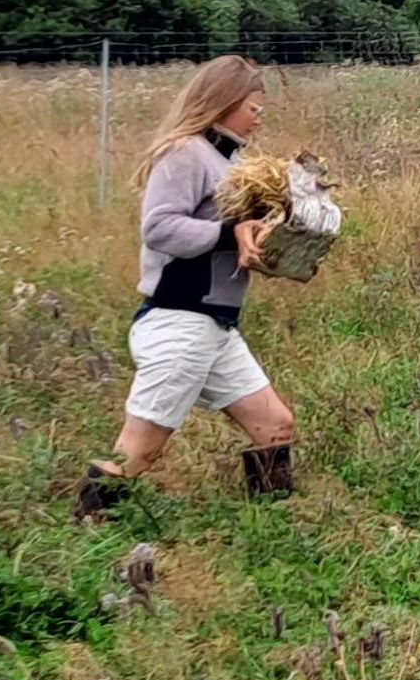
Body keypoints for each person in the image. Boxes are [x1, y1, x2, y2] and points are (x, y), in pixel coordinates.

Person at [77, 55, 298, 518]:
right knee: (136, 455)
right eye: (254, 108)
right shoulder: (185, 152)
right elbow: (158, 228)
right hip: (180, 320)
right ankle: (86, 539)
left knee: (276, 426)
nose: (260, 118)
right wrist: (227, 233)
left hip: (215, 325)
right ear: (225, 102)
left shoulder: (226, 160)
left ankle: (275, 531)